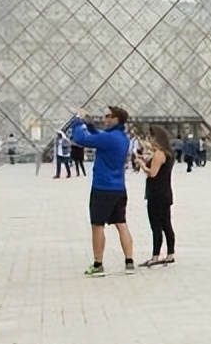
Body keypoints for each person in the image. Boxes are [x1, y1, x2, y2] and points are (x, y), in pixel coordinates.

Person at [70, 107, 135, 277]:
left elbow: (80, 138)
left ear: (116, 119)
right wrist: (91, 126)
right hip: (119, 187)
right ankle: (129, 261)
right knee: (121, 223)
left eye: (108, 116)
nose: (105, 119)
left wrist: (78, 120)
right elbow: (100, 137)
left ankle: (98, 263)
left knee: (97, 226)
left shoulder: (109, 138)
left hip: (102, 187)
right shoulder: (122, 137)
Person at [135, 125, 176, 266]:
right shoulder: (168, 153)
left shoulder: (159, 154)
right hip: (165, 192)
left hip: (156, 194)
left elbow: (152, 173)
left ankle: (155, 256)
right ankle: (170, 253)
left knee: (156, 226)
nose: (149, 140)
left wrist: (141, 164)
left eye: (151, 137)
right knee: (166, 224)